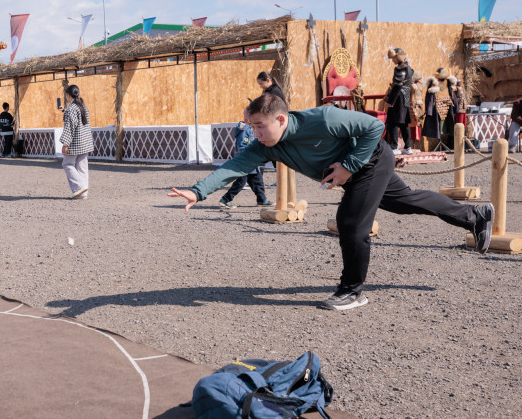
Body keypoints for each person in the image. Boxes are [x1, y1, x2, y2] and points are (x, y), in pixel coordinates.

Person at [168, 92, 494, 311]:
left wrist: (348, 166)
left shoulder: (321, 119)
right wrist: (197, 191)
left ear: (280, 120)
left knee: (350, 224)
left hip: (370, 161)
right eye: (251, 126)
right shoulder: (265, 145)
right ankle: (475, 215)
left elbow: (374, 127)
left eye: (259, 126)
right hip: (352, 172)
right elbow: (233, 167)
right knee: (405, 201)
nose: (255, 133)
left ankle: (352, 291)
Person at [219, 108, 270, 208]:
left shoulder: (250, 128)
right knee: (241, 181)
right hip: (245, 160)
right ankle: (226, 199)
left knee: (257, 179)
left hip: (252, 161)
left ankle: (262, 199)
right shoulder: (245, 130)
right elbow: (243, 146)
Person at [60, 84, 93, 199]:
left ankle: (79, 187)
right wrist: (64, 110)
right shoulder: (83, 107)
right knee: (82, 167)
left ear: (68, 95)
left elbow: (70, 127)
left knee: (67, 164)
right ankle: (83, 194)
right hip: (85, 142)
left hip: (75, 143)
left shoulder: (72, 109)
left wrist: (65, 143)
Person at [385, 48, 414, 155]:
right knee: (404, 123)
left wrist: (390, 101)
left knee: (393, 122)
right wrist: (388, 95)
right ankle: (408, 147)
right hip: (405, 97)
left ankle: (393, 147)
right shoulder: (409, 68)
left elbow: (398, 85)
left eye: (393, 58)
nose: (393, 61)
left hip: (398, 98)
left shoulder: (400, 68)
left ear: (398, 57)